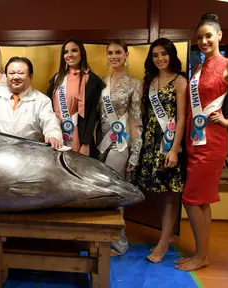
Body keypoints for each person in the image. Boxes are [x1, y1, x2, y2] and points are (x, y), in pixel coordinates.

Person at [175, 13, 228, 272]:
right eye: (199, 37)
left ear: (220, 36)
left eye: (208, 36)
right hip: (194, 138)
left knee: (191, 199)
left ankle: (202, 255)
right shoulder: (198, 68)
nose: (203, 41)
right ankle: (203, 254)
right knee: (200, 200)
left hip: (212, 139)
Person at [135, 38, 187, 263]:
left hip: (169, 145)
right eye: (155, 55)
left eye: (164, 54)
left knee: (170, 195)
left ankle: (164, 243)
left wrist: (174, 149)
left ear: (172, 55)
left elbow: (183, 118)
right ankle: (167, 235)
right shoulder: (150, 80)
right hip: (150, 144)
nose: (160, 59)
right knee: (159, 193)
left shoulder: (180, 81)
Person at [96, 39, 143, 256]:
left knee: (115, 191)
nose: (114, 56)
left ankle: (119, 242)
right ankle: (103, 237)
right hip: (101, 142)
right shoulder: (101, 83)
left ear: (126, 54)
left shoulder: (134, 84)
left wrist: (135, 152)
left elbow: (135, 118)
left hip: (121, 143)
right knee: (102, 191)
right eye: (110, 52)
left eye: (118, 52)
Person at [47, 38, 103, 156]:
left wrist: (86, 143)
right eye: (66, 52)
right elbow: (47, 107)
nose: (69, 55)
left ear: (81, 53)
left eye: (74, 51)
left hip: (79, 133)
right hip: (56, 131)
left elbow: (92, 114)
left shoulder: (92, 80)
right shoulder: (57, 78)